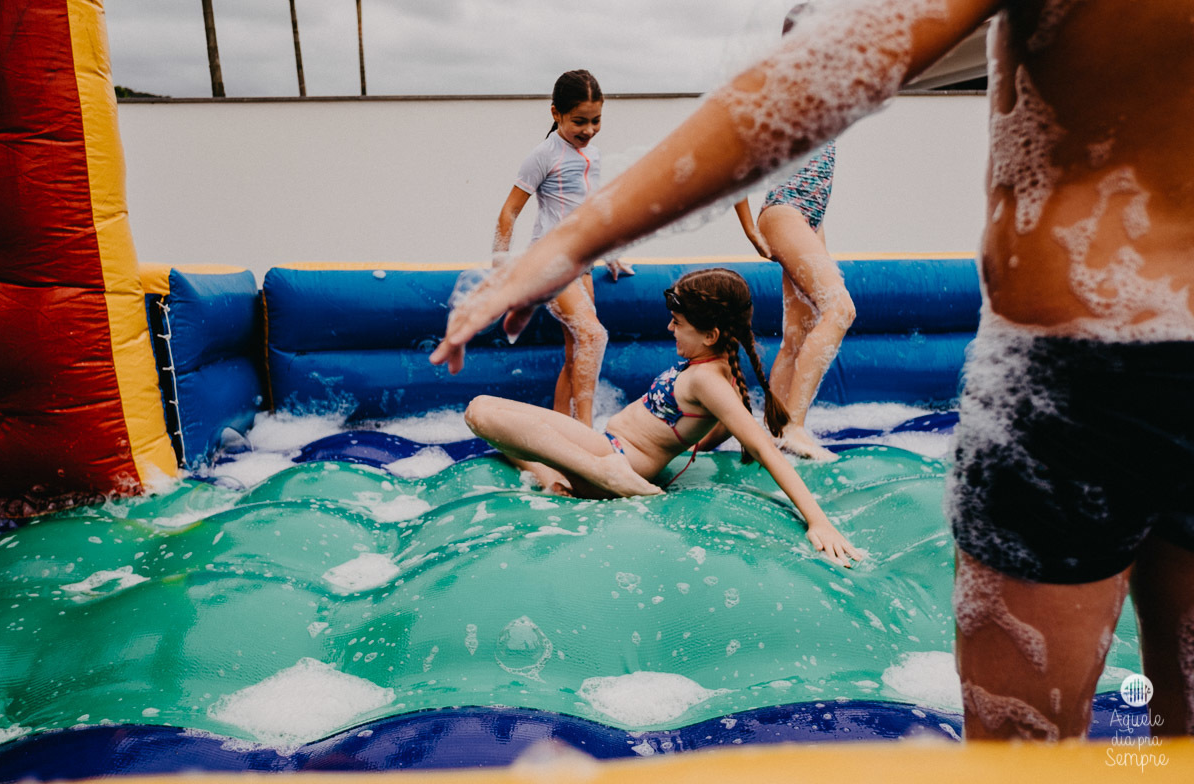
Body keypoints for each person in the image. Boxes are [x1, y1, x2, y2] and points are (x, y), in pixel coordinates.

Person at [433, 0, 1194, 740]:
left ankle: (701, 445)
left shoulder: (707, 379)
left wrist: (560, 246)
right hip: (1120, 358)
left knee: (1030, 764)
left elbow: (803, 87)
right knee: (1178, 733)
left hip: (1078, 372)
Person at [465, 268, 862, 568]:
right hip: (608, 449)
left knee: (479, 412)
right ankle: (557, 476)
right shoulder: (715, 372)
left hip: (613, 459)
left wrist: (818, 522)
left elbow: (763, 448)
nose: (670, 328)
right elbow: (715, 429)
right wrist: (694, 438)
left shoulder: (709, 381)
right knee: (508, 434)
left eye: (679, 323)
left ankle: (599, 475)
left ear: (711, 334)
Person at [731, 3, 853, 461]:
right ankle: (796, 428)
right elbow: (735, 167)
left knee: (798, 333)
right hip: (785, 212)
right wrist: (749, 230)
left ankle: (765, 438)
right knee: (839, 309)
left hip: (809, 219)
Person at [490, 69, 631, 426]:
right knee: (594, 336)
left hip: (581, 263)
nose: (588, 129)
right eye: (579, 121)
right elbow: (508, 213)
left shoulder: (593, 156)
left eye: (596, 120)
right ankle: (585, 431)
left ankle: (559, 428)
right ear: (556, 114)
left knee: (576, 353)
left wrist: (610, 253)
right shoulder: (543, 154)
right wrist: (500, 268)